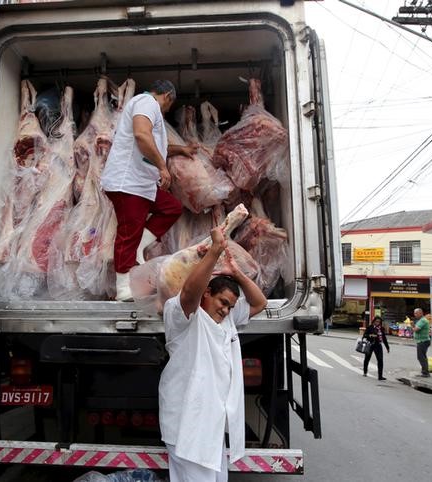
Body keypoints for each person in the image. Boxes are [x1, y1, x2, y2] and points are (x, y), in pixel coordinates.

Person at [159, 227, 267, 482]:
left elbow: (259, 303)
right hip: (187, 426)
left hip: (212, 426)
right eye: (222, 302)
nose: (227, 310)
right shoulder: (183, 317)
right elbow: (189, 293)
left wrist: (236, 274)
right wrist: (215, 250)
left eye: (230, 305)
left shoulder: (227, 321)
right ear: (207, 293)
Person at [100, 80, 196, 301]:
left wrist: (181, 149)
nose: (167, 109)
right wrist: (163, 168)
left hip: (141, 185)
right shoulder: (147, 102)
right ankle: (123, 287)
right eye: (169, 105)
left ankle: (139, 246)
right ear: (168, 97)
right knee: (128, 232)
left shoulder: (149, 108)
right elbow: (142, 135)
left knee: (171, 207)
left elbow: (156, 146)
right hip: (129, 184)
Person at [362, 316, 390, 380]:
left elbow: (384, 338)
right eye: (376, 321)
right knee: (367, 358)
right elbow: (364, 336)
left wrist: (387, 347)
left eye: (379, 322)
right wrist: (371, 335)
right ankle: (365, 372)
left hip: (378, 345)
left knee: (380, 360)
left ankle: (380, 376)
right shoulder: (370, 327)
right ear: (374, 321)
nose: (377, 323)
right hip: (370, 345)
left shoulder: (381, 328)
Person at [411, 308, 431, 377]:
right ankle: (425, 371)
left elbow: (416, 329)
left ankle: (425, 372)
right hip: (422, 341)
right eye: (414, 313)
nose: (415, 314)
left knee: (421, 357)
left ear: (420, 313)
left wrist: (412, 325)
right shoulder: (421, 320)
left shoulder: (422, 320)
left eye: (416, 313)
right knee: (423, 357)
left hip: (423, 341)